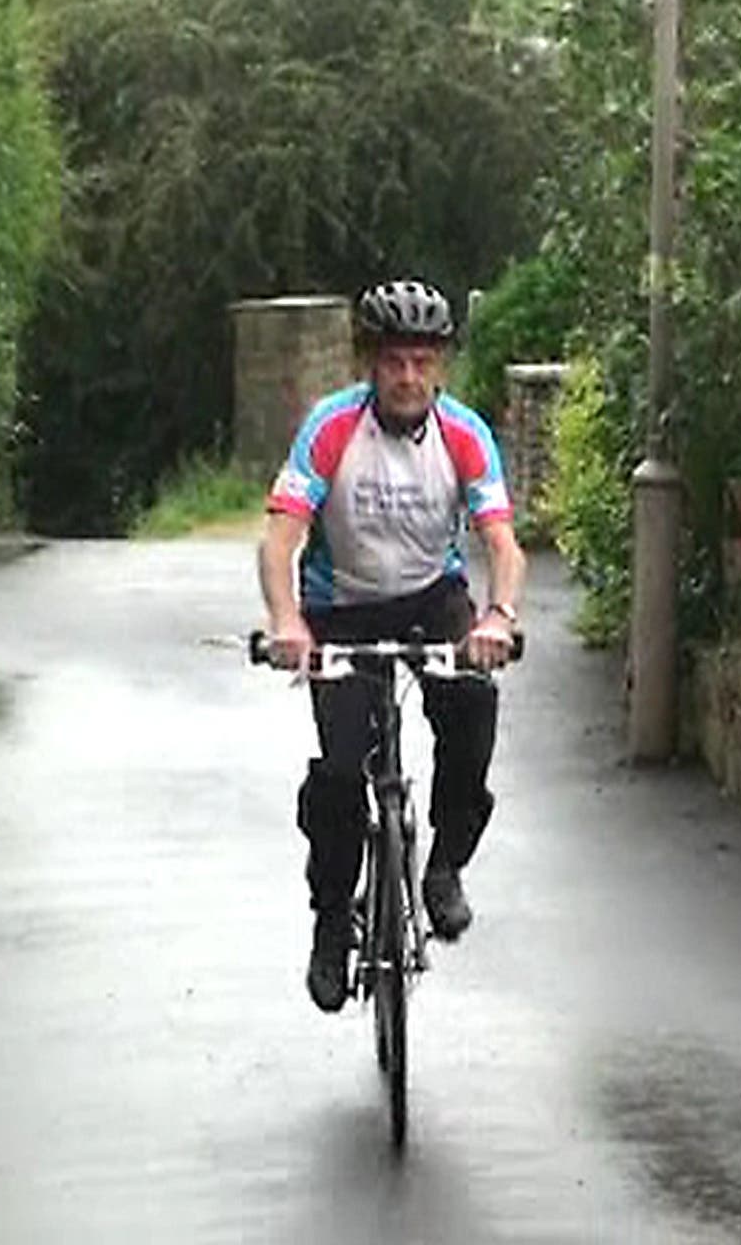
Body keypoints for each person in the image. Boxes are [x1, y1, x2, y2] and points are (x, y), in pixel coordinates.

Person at [257, 278, 526, 1014]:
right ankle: (330, 921)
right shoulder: (332, 427)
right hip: (339, 607)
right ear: (368, 363)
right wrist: (288, 623)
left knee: (472, 711)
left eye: (422, 361)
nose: (409, 377)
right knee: (342, 775)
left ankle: (443, 867)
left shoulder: (465, 433)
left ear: (439, 365)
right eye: (393, 361)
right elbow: (281, 538)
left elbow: (502, 543)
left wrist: (497, 616)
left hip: (428, 598)